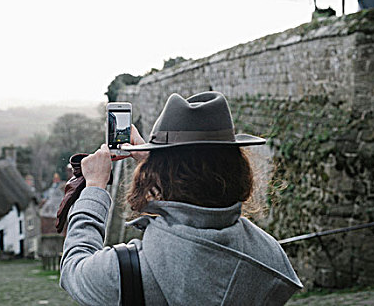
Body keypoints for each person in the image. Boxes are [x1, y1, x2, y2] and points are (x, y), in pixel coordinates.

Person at [60, 91, 302, 305]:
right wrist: (158, 168)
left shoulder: (127, 272)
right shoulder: (268, 256)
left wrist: (94, 187)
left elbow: (73, 269)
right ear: (238, 169)